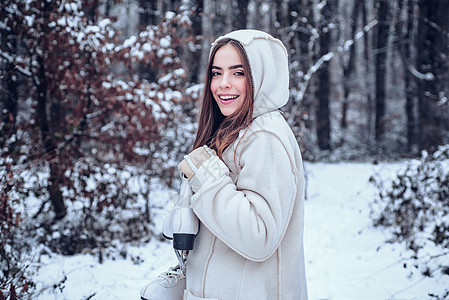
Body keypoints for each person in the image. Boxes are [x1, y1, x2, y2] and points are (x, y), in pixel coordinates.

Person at [140, 29, 308, 300]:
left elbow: (259, 236)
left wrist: (207, 178)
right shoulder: (232, 131)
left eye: (238, 73)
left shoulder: (265, 137)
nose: (223, 83)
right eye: (216, 73)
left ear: (260, 76)